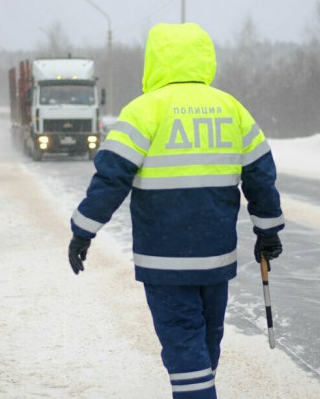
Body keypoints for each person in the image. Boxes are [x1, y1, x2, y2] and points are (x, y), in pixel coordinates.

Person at [68, 23, 284, 399]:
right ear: (204, 58)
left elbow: (111, 178)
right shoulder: (231, 109)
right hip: (216, 258)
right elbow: (260, 176)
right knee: (205, 342)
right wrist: (267, 231)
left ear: (155, 60)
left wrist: (83, 230)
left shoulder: (143, 111)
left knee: (185, 347)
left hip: (164, 258)